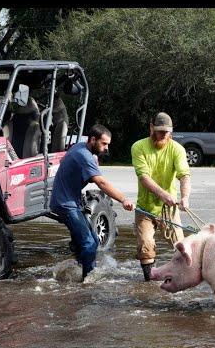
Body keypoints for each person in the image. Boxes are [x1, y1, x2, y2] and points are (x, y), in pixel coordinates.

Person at [50, 124, 134, 280]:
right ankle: (88, 281)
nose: (106, 148)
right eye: (104, 143)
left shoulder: (82, 148)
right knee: (89, 243)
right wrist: (123, 199)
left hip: (69, 201)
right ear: (93, 139)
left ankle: (75, 270)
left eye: (108, 144)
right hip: (65, 204)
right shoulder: (84, 155)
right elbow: (101, 183)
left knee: (94, 240)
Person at [131, 112, 191, 281]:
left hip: (169, 208)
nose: (163, 135)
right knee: (145, 246)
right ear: (151, 128)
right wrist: (163, 194)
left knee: (180, 247)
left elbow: (184, 175)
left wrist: (185, 197)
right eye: (160, 131)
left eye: (166, 132)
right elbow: (144, 178)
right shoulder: (138, 147)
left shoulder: (177, 149)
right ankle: (149, 283)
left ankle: (181, 280)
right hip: (145, 207)